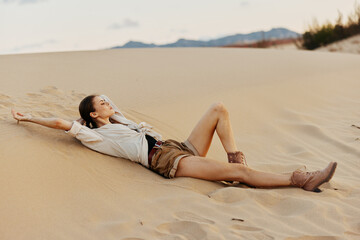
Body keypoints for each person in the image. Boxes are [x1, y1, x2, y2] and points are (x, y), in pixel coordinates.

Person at [11, 94, 337, 192]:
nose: (110, 103)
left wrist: (112, 112)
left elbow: (114, 112)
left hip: (176, 147)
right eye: (104, 103)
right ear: (93, 114)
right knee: (239, 177)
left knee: (219, 108)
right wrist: (26, 117)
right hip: (165, 161)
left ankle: (236, 160)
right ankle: (300, 179)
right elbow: (60, 123)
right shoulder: (96, 134)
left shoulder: (120, 120)